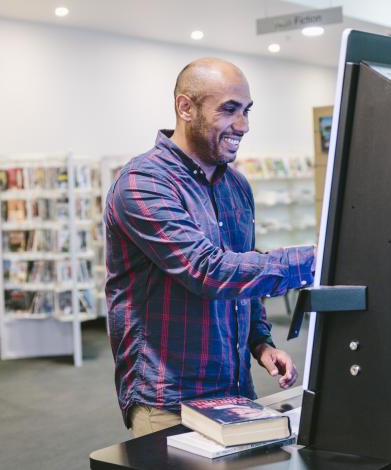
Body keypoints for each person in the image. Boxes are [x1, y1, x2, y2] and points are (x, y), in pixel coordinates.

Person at [104, 57, 315, 437]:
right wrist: (317, 259)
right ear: (186, 107)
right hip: (169, 401)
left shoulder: (236, 186)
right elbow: (209, 271)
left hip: (235, 391)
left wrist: (261, 344)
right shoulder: (142, 183)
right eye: (229, 110)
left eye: (247, 111)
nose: (243, 125)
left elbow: (243, 280)